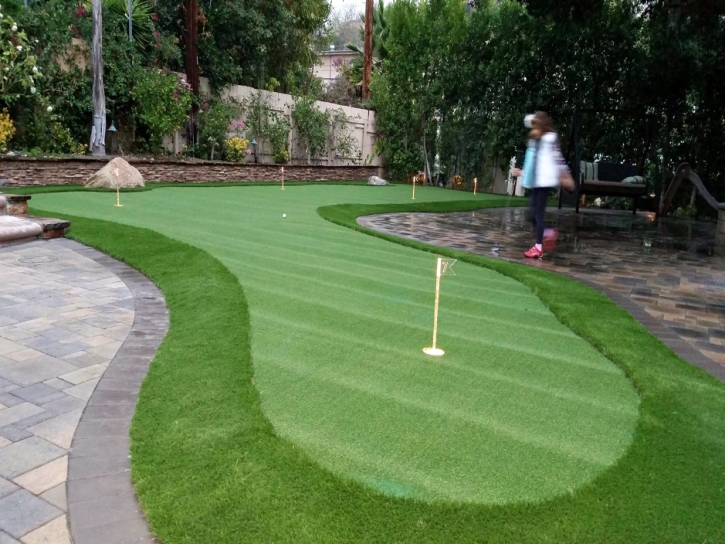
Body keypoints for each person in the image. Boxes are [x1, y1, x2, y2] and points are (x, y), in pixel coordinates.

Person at [510, 111, 569, 259]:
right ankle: (548, 232)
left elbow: (558, 159)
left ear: (542, 127)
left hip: (544, 182)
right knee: (531, 215)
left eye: (536, 127)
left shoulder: (549, 140)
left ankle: (538, 247)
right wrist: (521, 173)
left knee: (538, 214)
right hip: (537, 182)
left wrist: (564, 175)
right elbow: (533, 166)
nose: (533, 130)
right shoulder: (536, 143)